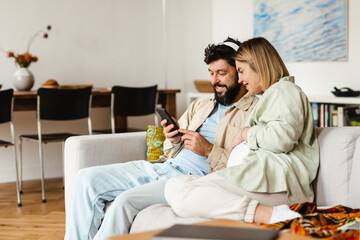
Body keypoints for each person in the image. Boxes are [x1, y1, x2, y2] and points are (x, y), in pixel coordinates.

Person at [65, 37, 258, 240]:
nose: (214, 80)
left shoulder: (253, 112)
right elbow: (170, 148)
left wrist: (209, 150)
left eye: (222, 73)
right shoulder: (203, 103)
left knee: (123, 201)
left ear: (239, 72)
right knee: (86, 178)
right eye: (211, 73)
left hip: (191, 179)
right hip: (164, 167)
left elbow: (246, 169)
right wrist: (173, 139)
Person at [164, 37, 320, 225]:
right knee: (174, 186)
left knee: (181, 193)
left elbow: (281, 139)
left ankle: (267, 215)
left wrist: (244, 133)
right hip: (259, 178)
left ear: (259, 66)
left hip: (277, 183)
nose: (240, 79)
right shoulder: (272, 95)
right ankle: (260, 212)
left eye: (241, 71)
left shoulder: (285, 90)